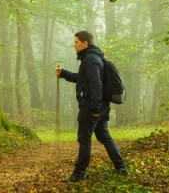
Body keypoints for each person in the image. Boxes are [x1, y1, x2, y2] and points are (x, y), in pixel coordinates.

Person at [55, 30, 128, 182]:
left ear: (85, 43)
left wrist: (95, 109)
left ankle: (79, 173)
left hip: (92, 106)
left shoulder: (90, 59)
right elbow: (83, 79)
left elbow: (96, 84)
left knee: (84, 138)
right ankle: (121, 168)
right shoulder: (93, 58)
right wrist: (63, 74)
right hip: (100, 105)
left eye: (76, 42)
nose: (73, 45)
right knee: (103, 136)